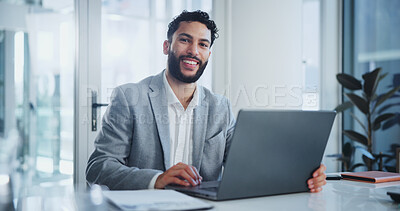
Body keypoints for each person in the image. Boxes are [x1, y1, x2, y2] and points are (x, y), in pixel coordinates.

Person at [86, 10, 327, 192]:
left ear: (208, 54)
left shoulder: (219, 107)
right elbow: (98, 167)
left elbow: (248, 166)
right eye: (184, 40)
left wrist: (301, 175)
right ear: (166, 46)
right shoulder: (129, 97)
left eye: (203, 44)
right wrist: (156, 179)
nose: (193, 50)